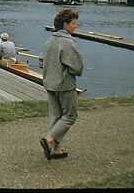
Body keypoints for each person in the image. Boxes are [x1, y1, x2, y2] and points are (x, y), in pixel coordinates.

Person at [40, 8, 83, 161]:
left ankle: (56, 149)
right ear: (65, 24)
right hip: (65, 85)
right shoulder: (68, 43)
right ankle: (49, 140)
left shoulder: (49, 41)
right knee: (70, 116)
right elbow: (77, 67)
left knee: (56, 116)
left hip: (49, 84)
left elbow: (41, 61)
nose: (75, 26)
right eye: (73, 23)